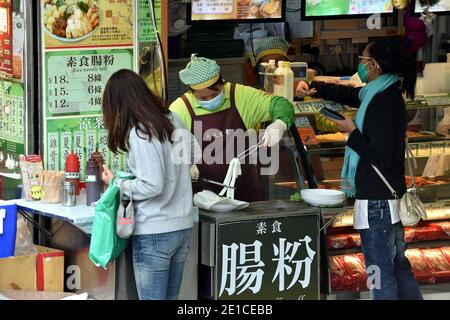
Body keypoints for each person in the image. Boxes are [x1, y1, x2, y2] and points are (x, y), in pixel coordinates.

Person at [296, 38, 423, 300]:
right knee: (398, 266)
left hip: (377, 203)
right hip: (388, 199)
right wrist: (313, 87)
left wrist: (352, 132)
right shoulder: (379, 93)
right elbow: (349, 94)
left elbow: (381, 157)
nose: (361, 65)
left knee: (379, 272)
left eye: (363, 60)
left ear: (374, 65)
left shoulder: (381, 102)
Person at [101, 69, 196, 300]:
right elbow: (192, 156)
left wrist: (119, 184)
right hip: (182, 226)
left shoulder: (141, 132)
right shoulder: (174, 119)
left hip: (155, 232)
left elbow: (153, 185)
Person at [170, 54, 295, 202]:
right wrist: (185, 164)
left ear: (222, 83)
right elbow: (167, 145)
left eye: (215, 94)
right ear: (191, 92)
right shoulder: (180, 108)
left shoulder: (241, 96)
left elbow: (282, 104)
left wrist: (280, 124)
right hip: (200, 199)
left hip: (244, 195)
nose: (210, 100)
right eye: (203, 98)